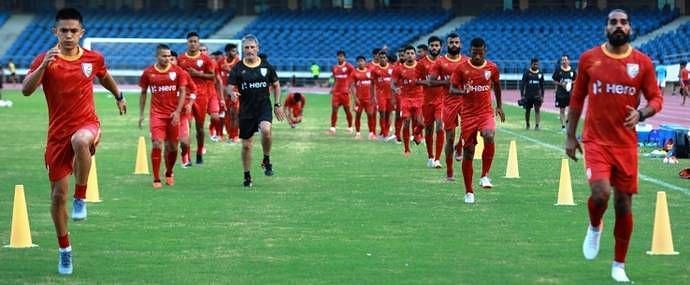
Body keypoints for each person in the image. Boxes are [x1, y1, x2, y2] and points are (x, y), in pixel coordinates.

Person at [21, 8, 126, 275]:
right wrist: (44, 65)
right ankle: (64, 250)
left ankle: (81, 197)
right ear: (55, 32)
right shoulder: (46, 59)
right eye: (63, 30)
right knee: (57, 197)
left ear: (82, 33)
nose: (68, 35)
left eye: (73, 31)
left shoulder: (93, 58)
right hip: (56, 136)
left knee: (81, 141)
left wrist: (119, 96)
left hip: (87, 124)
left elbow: (105, 76)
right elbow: (25, 90)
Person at [565, 9, 663, 283]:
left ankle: (619, 265)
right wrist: (570, 136)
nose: (618, 26)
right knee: (600, 193)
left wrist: (642, 113)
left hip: (625, 144)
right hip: (596, 141)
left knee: (623, 204)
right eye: (613, 22)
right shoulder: (589, 59)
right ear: (606, 27)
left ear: (630, 28)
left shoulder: (641, 63)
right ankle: (595, 226)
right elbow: (577, 98)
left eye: (623, 22)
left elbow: (656, 98)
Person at [450, 37, 505, 204]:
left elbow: (496, 86)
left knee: (489, 135)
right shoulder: (461, 68)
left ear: (485, 51)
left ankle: (485, 175)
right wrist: (462, 91)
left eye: (480, 52)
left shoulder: (492, 68)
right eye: (474, 52)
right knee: (469, 152)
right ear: (470, 51)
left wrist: (499, 106)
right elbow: (452, 88)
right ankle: (469, 192)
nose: (478, 55)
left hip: (485, 112)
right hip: (468, 115)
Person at [227, 34, 285, 187]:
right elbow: (229, 85)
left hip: (263, 107)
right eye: (247, 47)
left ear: (258, 49)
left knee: (266, 130)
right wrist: (232, 93)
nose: (250, 50)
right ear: (243, 49)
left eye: (252, 47)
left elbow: (277, 85)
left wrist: (277, 104)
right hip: (246, 110)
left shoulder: (266, 67)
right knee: (246, 145)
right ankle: (247, 176)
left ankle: (266, 158)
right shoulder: (238, 68)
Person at [138, 44, 187, 188]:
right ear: (157, 56)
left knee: (172, 147)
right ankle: (156, 178)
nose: (167, 59)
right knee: (157, 143)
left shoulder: (178, 71)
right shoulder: (148, 73)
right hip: (157, 115)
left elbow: (183, 91)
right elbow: (143, 93)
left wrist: (178, 112)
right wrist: (141, 114)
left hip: (173, 115)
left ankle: (169, 172)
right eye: (164, 56)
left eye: (169, 56)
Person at [429, 32, 466, 180]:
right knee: (449, 138)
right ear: (447, 45)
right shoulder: (440, 62)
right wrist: (447, 82)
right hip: (448, 102)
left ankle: (460, 146)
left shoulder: (466, 61)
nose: (454, 45)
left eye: (457, 42)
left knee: (469, 130)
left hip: (464, 101)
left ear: (460, 44)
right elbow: (431, 81)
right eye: (451, 43)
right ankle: (449, 171)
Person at [177, 32, 217, 164]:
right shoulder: (181, 59)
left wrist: (198, 74)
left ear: (198, 43)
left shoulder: (206, 59)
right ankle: (186, 156)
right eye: (190, 41)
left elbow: (212, 76)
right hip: (186, 97)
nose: (193, 44)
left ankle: (200, 151)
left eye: (195, 41)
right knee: (186, 126)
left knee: (200, 128)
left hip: (201, 96)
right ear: (187, 43)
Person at [392, 45, 425, 157]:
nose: (410, 55)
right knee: (406, 122)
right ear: (405, 55)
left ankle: (416, 134)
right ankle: (406, 149)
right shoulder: (399, 69)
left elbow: (427, 79)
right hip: (405, 99)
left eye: (412, 53)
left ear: (415, 55)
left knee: (421, 123)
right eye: (408, 53)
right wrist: (395, 88)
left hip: (419, 98)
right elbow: (393, 82)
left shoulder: (421, 67)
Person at [418, 36, 444, 168]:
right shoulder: (422, 63)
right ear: (428, 47)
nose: (434, 47)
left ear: (441, 47)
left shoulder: (444, 62)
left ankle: (438, 159)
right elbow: (417, 80)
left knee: (440, 125)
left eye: (437, 45)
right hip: (427, 101)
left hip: (441, 100)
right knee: (429, 129)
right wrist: (427, 82)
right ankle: (430, 156)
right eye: (432, 45)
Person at [170, 51, 197, 168]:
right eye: (167, 58)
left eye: (172, 59)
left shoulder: (184, 74)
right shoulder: (160, 75)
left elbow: (194, 90)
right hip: (167, 115)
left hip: (182, 114)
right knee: (170, 144)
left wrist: (190, 103)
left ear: (177, 61)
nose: (169, 61)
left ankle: (185, 155)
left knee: (184, 142)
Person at [349, 55, 377, 140]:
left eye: (362, 61)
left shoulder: (370, 71)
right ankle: (358, 133)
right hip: (359, 99)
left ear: (365, 62)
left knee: (370, 115)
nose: (360, 63)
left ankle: (371, 133)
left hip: (368, 98)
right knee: (358, 115)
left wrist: (373, 96)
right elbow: (352, 86)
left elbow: (373, 85)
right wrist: (355, 98)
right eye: (359, 61)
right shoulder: (354, 72)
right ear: (357, 63)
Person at [328, 50, 354, 135]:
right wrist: (332, 88)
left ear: (344, 57)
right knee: (334, 109)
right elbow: (335, 79)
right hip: (336, 92)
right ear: (337, 57)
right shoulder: (334, 67)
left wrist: (350, 86)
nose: (340, 57)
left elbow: (354, 76)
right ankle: (332, 127)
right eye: (339, 56)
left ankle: (350, 126)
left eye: (342, 56)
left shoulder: (349, 66)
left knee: (347, 110)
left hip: (345, 92)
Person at [219, 43, 241, 143]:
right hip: (224, 93)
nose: (235, 53)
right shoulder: (220, 62)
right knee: (227, 115)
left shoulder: (238, 62)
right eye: (233, 51)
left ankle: (235, 135)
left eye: (236, 51)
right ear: (227, 52)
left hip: (235, 92)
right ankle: (230, 135)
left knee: (235, 113)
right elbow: (218, 78)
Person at [372, 50, 395, 141]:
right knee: (382, 113)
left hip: (390, 94)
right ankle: (384, 133)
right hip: (380, 94)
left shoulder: (392, 68)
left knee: (389, 113)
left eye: (384, 57)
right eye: (381, 58)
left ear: (387, 59)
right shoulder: (375, 70)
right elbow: (373, 83)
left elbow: (395, 82)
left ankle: (385, 131)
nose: (382, 59)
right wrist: (373, 95)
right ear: (379, 59)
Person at [552, 54, 576, 132]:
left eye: (565, 59)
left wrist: (570, 83)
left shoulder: (572, 70)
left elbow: (576, 80)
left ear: (568, 61)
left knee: (570, 110)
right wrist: (561, 84)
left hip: (569, 93)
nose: (564, 61)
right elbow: (554, 80)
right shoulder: (558, 70)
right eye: (562, 60)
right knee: (562, 110)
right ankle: (563, 127)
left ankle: (568, 124)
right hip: (560, 93)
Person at [520, 58, 544, 130]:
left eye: (537, 64)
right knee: (528, 110)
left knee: (537, 110)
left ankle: (537, 125)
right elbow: (522, 84)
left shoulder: (540, 73)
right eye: (534, 64)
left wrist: (542, 96)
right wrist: (522, 95)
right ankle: (527, 124)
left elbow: (542, 86)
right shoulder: (527, 72)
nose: (536, 65)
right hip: (528, 95)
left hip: (537, 96)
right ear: (531, 64)